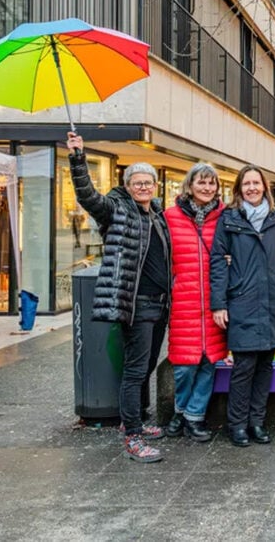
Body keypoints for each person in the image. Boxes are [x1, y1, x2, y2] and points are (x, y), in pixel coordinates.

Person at [67, 133, 172, 463]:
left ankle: (136, 418)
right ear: (127, 185)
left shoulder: (156, 213)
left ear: (154, 186)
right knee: (135, 370)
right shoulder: (116, 210)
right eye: (137, 182)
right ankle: (133, 436)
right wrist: (77, 158)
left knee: (147, 365)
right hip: (135, 303)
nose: (143, 187)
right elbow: (87, 196)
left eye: (147, 182)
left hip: (160, 302)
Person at [210, 166, 275, 447]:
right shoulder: (229, 219)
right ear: (239, 189)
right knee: (244, 366)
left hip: (272, 299)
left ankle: (257, 422)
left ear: (264, 187)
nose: (251, 188)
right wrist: (219, 304)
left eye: (256, 183)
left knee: (265, 366)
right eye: (246, 184)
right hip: (242, 300)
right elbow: (217, 264)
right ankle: (237, 425)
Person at [164, 163, 226, 443]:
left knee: (208, 362)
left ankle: (194, 417)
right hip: (184, 301)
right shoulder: (170, 217)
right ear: (189, 185)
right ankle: (180, 411)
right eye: (201, 182)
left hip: (215, 302)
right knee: (184, 365)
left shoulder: (225, 216)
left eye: (212, 183)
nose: (207, 188)